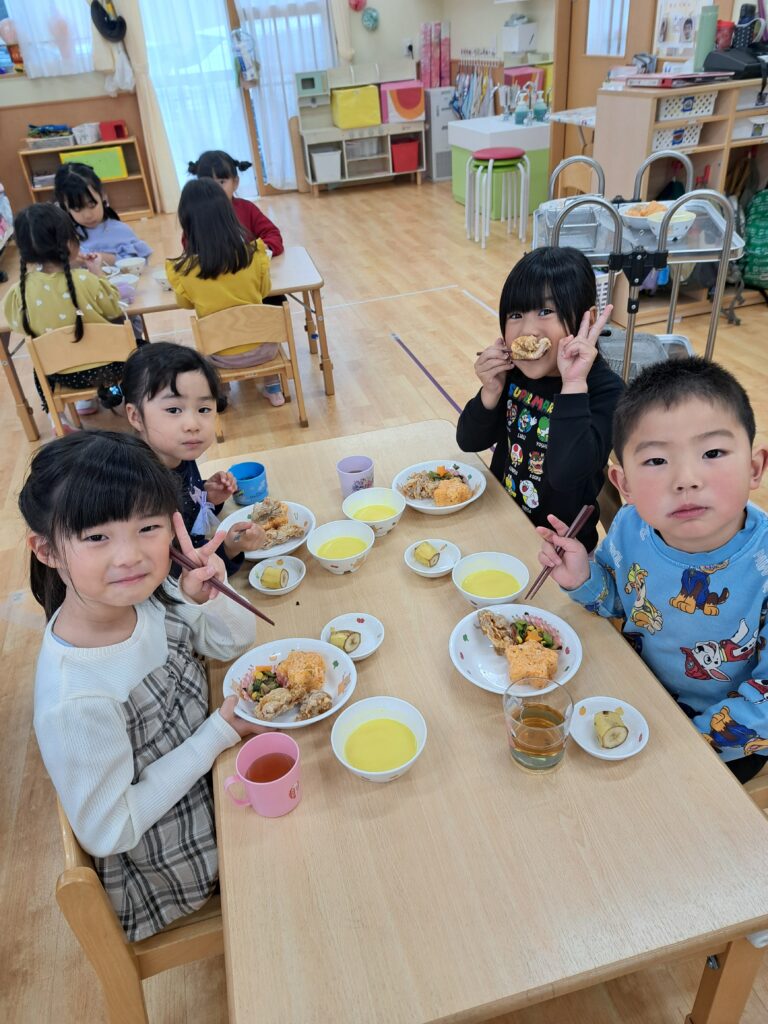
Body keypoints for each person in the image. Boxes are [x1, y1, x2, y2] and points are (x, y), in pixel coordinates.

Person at [19, 430, 260, 941]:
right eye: (96, 537)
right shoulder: (76, 698)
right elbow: (111, 830)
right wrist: (215, 736)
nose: (130, 555)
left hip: (215, 774)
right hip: (180, 857)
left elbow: (234, 644)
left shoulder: (142, 597)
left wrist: (209, 592)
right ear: (47, 550)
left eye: (148, 527)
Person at [537, 357, 768, 783]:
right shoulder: (631, 525)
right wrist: (583, 579)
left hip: (722, 740)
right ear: (623, 484)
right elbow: (621, 601)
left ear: (754, 468)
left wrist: (681, 742)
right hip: (636, 693)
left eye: (712, 453)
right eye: (657, 460)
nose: (686, 479)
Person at [456, 247, 623, 551]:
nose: (528, 330)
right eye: (516, 315)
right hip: (502, 519)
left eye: (545, 312)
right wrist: (490, 391)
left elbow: (566, 474)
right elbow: (469, 441)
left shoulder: (606, 391)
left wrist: (573, 384)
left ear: (587, 320)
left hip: (563, 549)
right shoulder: (514, 375)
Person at [122, 341, 267, 575]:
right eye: (173, 410)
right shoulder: (141, 492)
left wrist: (209, 498)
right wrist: (229, 549)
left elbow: (188, 518)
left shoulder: (176, 453)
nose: (192, 425)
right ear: (136, 416)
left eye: (203, 409)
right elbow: (174, 574)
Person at [3, 203, 126, 430]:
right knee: (140, 348)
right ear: (69, 242)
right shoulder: (85, 280)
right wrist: (97, 271)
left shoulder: (20, 291)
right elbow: (114, 309)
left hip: (62, 375)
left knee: (39, 366)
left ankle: (57, 417)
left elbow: (18, 325)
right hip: (109, 368)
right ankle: (122, 395)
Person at [167, 177, 284, 407]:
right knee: (263, 326)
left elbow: (185, 303)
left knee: (207, 344)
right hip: (263, 350)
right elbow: (265, 290)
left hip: (219, 356)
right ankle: (273, 386)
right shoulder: (255, 254)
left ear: (187, 223)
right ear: (229, 215)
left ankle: (222, 392)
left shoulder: (183, 269)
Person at [187, 149, 283, 258]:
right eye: (208, 183)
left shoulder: (247, 209)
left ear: (235, 183)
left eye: (221, 182)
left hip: (249, 265)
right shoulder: (196, 215)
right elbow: (190, 248)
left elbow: (273, 234)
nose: (215, 188)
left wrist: (265, 247)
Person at [54, 162, 153, 266]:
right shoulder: (66, 236)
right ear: (65, 207)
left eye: (92, 205)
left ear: (103, 196)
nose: (88, 215)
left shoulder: (121, 231)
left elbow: (139, 264)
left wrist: (107, 259)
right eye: (77, 209)